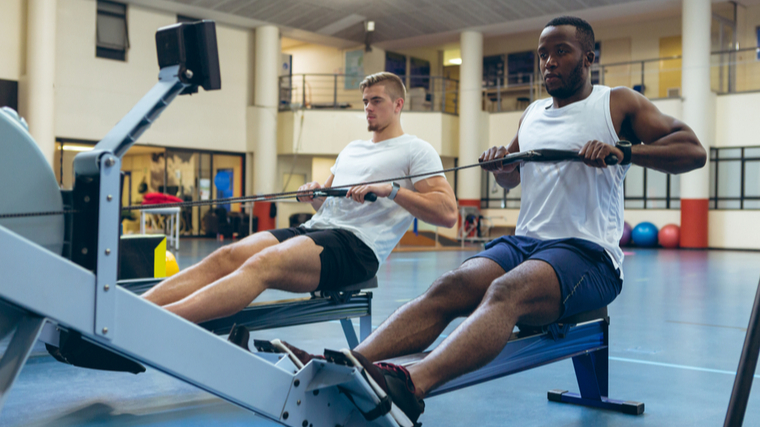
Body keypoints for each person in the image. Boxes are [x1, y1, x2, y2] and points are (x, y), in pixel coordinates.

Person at [281, 16, 707, 424]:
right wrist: (500, 165)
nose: (549, 62)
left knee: (506, 290)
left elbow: (692, 150)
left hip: (588, 254)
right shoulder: (534, 113)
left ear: (588, 57)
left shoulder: (616, 103)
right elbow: (511, 178)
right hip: (527, 243)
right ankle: (352, 365)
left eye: (561, 51)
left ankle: (411, 386)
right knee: (450, 286)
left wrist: (625, 151)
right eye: (543, 54)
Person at [142, 72, 458, 324]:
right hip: (316, 229)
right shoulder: (352, 149)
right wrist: (314, 194)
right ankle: (134, 308)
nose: (368, 108)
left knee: (264, 263)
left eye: (377, 101)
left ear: (398, 104)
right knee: (225, 256)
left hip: (357, 248)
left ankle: (156, 323)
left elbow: (447, 214)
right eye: (365, 102)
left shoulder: (416, 150)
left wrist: (391, 190)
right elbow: (328, 204)